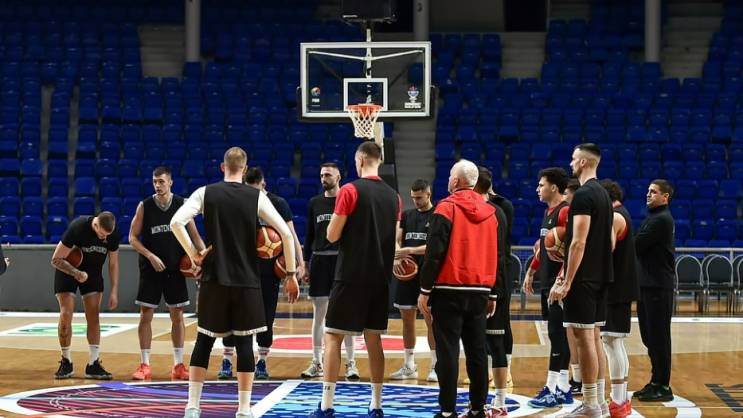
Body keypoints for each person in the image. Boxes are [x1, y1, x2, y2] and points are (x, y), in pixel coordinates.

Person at [171, 147, 299, 418]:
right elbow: (286, 235)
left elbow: (175, 222)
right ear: (245, 168)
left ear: (222, 167)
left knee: (204, 341)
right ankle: (243, 409)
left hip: (214, 277)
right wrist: (290, 275)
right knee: (244, 343)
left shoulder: (205, 192)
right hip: (246, 280)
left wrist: (194, 255)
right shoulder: (257, 196)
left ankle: (192, 406)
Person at [309, 141, 400, 418]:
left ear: (360, 160)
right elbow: (394, 240)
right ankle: (376, 405)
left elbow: (332, 235)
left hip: (350, 275)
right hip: (380, 277)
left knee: (333, 336)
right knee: (374, 340)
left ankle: (326, 405)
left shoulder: (349, 190)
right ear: (379, 161)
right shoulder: (394, 197)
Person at [418, 159, 498, 418]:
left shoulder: (446, 207)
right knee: (477, 351)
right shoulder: (491, 212)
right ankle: (478, 408)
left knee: (448, 351)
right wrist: (493, 292)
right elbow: (496, 255)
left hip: (448, 289)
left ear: (455, 181)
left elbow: (434, 253)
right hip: (480, 290)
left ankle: (447, 410)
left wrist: (425, 290)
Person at [217, 167, 306, 381]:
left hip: (269, 271)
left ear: (263, 184)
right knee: (234, 316)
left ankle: (262, 361)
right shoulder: (240, 202)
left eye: (254, 190)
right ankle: (227, 359)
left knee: (266, 317)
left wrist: (300, 263)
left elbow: (291, 235)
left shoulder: (278, 204)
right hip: (242, 269)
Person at [549, 143, 614, 418]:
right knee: (594, 337)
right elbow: (608, 240)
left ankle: (590, 404)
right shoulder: (604, 194)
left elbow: (578, 242)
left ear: (585, 162)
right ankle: (598, 402)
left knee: (583, 337)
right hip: (601, 274)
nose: (571, 163)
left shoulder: (584, 195)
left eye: (574, 159)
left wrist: (566, 280)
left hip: (584, 278)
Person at [129, 166, 205, 381]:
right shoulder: (144, 206)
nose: (157, 185)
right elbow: (132, 238)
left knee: (177, 315)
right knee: (146, 315)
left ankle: (178, 365)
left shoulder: (182, 204)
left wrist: (203, 258)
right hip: (151, 268)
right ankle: (144, 364)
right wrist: (150, 255)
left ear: (170, 182)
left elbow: (195, 236)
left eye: (161, 181)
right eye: (155, 181)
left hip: (175, 268)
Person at [301, 162, 359, 381]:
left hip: (342, 261)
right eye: (321, 175)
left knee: (347, 313)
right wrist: (305, 263)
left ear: (338, 177)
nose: (323, 178)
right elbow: (309, 235)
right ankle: (316, 362)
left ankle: (351, 363)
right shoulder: (314, 202)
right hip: (319, 261)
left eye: (328, 175)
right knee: (319, 315)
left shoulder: (348, 200)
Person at [522, 167, 574, 408]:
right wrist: (531, 271)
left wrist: (562, 281)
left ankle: (555, 387)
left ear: (554, 187)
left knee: (557, 334)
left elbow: (573, 249)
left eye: (541, 185)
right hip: (546, 281)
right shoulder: (548, 212)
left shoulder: (565, 211)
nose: (538, 189)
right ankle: (562, 387)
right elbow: (545, 248)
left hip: (558, 284)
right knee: (555, 334)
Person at [51, 211, 120, 380]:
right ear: (95, 225)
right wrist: (76, 273)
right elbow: (56, 259)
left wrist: (114, 290)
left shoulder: (112, 234)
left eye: (107, 235)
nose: (104, 238)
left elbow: (113, 263)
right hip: (68, 269)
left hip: (93, 272)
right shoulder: (78, 227)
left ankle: (93, 363)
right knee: (66, 315)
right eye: (102, 234)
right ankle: (66, 361)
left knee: (94, 316)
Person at [599, 179, 639, 417]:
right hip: (621, 288)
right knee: (615, 342)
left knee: (611, 341)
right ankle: (621, 399)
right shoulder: (621, 213)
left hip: (615, 289)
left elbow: (606, 251)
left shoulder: (614, 217)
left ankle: (618, 400)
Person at [390, 179, 437, 382]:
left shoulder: (437, 216)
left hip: (428, 274)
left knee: (431, 320)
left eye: (419, 197)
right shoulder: (407, 215)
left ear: (428, 194)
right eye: (413, 198)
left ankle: (436, 366)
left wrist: (409, 249)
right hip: (407, 275)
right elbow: (396, 239)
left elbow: (435, 246)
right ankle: (409, 365)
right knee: (407, 320)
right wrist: (396, 255)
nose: (416, 201)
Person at [633, 179, 675, 403]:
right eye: (648, 191)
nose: (648, 194)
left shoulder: (661, 220)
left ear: (665, 197)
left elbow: (636, 245)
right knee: (649, 336)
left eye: (653, 192)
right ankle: (655, 380)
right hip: (648, 285)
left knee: (659, 337)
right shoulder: (653, 217)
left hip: (658, 286)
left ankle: (663, 385)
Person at [474, 167, 509, 417]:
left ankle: (499, 401)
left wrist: (493, 292)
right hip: (487, 284)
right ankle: (484, 400)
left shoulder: (491, 212)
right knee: (482, 345)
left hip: (491, 286)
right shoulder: (493, 210)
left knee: (494, 344)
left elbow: (495, 255)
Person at [487, 186, 515, 391]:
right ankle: (489, 370)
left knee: (502, 325)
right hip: (492, 270)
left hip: (501, 270)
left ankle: (507, 371)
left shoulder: (503, 206)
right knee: (484, 329)